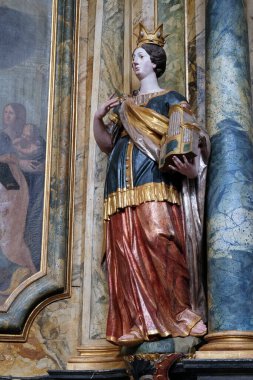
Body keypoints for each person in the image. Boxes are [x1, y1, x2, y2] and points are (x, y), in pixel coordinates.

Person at [93, 24, 210, 346]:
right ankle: (133, 319)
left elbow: (192, 137)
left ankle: (182, 311)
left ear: (155, 62)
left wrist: (193, 170)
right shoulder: (124, 106)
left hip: (156, 180)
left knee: (162, 240)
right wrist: (97, 118)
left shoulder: (171, 99)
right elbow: (106, 145)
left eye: (140, 56)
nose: (135, 62)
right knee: (124, 250)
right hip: (119, 186)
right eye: (133, 57)